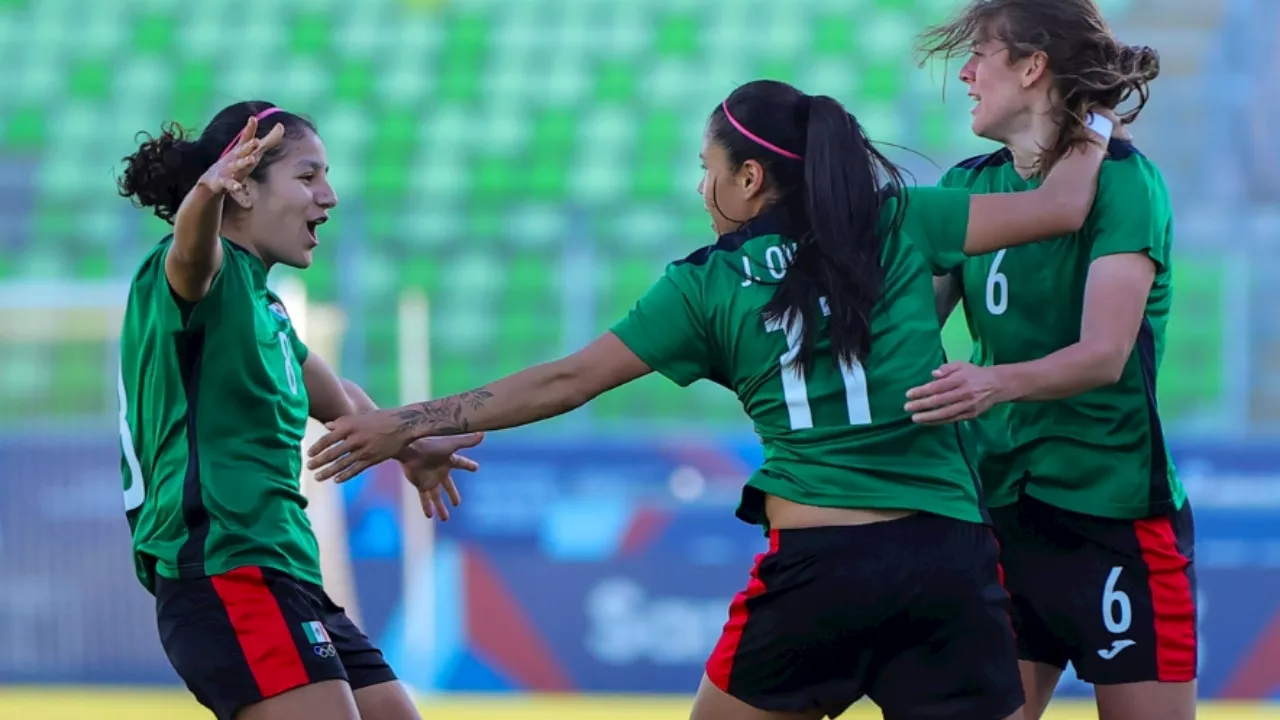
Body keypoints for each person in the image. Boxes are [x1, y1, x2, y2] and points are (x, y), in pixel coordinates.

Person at [303, 80, 1117, 720]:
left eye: (709, 167)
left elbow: (566, 380)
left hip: (818, 571)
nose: (703, 186)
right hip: (946, 559)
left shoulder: (703, 283)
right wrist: (1096, 111)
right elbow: (1064, 206)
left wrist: (404, 423)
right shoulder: (897, 218)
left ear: (751, 176)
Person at [115, 101, 484, 720]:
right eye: (308, 177)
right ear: (244, 187)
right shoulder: (195, 275)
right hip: (223, 573)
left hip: (286, 577)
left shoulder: (269, 309)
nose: (330, 196)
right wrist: (205, 194)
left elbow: (343, 401)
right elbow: (191, 252)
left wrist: (411, 447)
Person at [910, 3, 1194, 720]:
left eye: (980, 55)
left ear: (1033, 67)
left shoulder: (1126, 182)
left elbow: (1104, 354)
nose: (967, 75)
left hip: (1112, 514)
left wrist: (989, 384)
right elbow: (907, 330)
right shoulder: (968, 187)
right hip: (1001, 511)